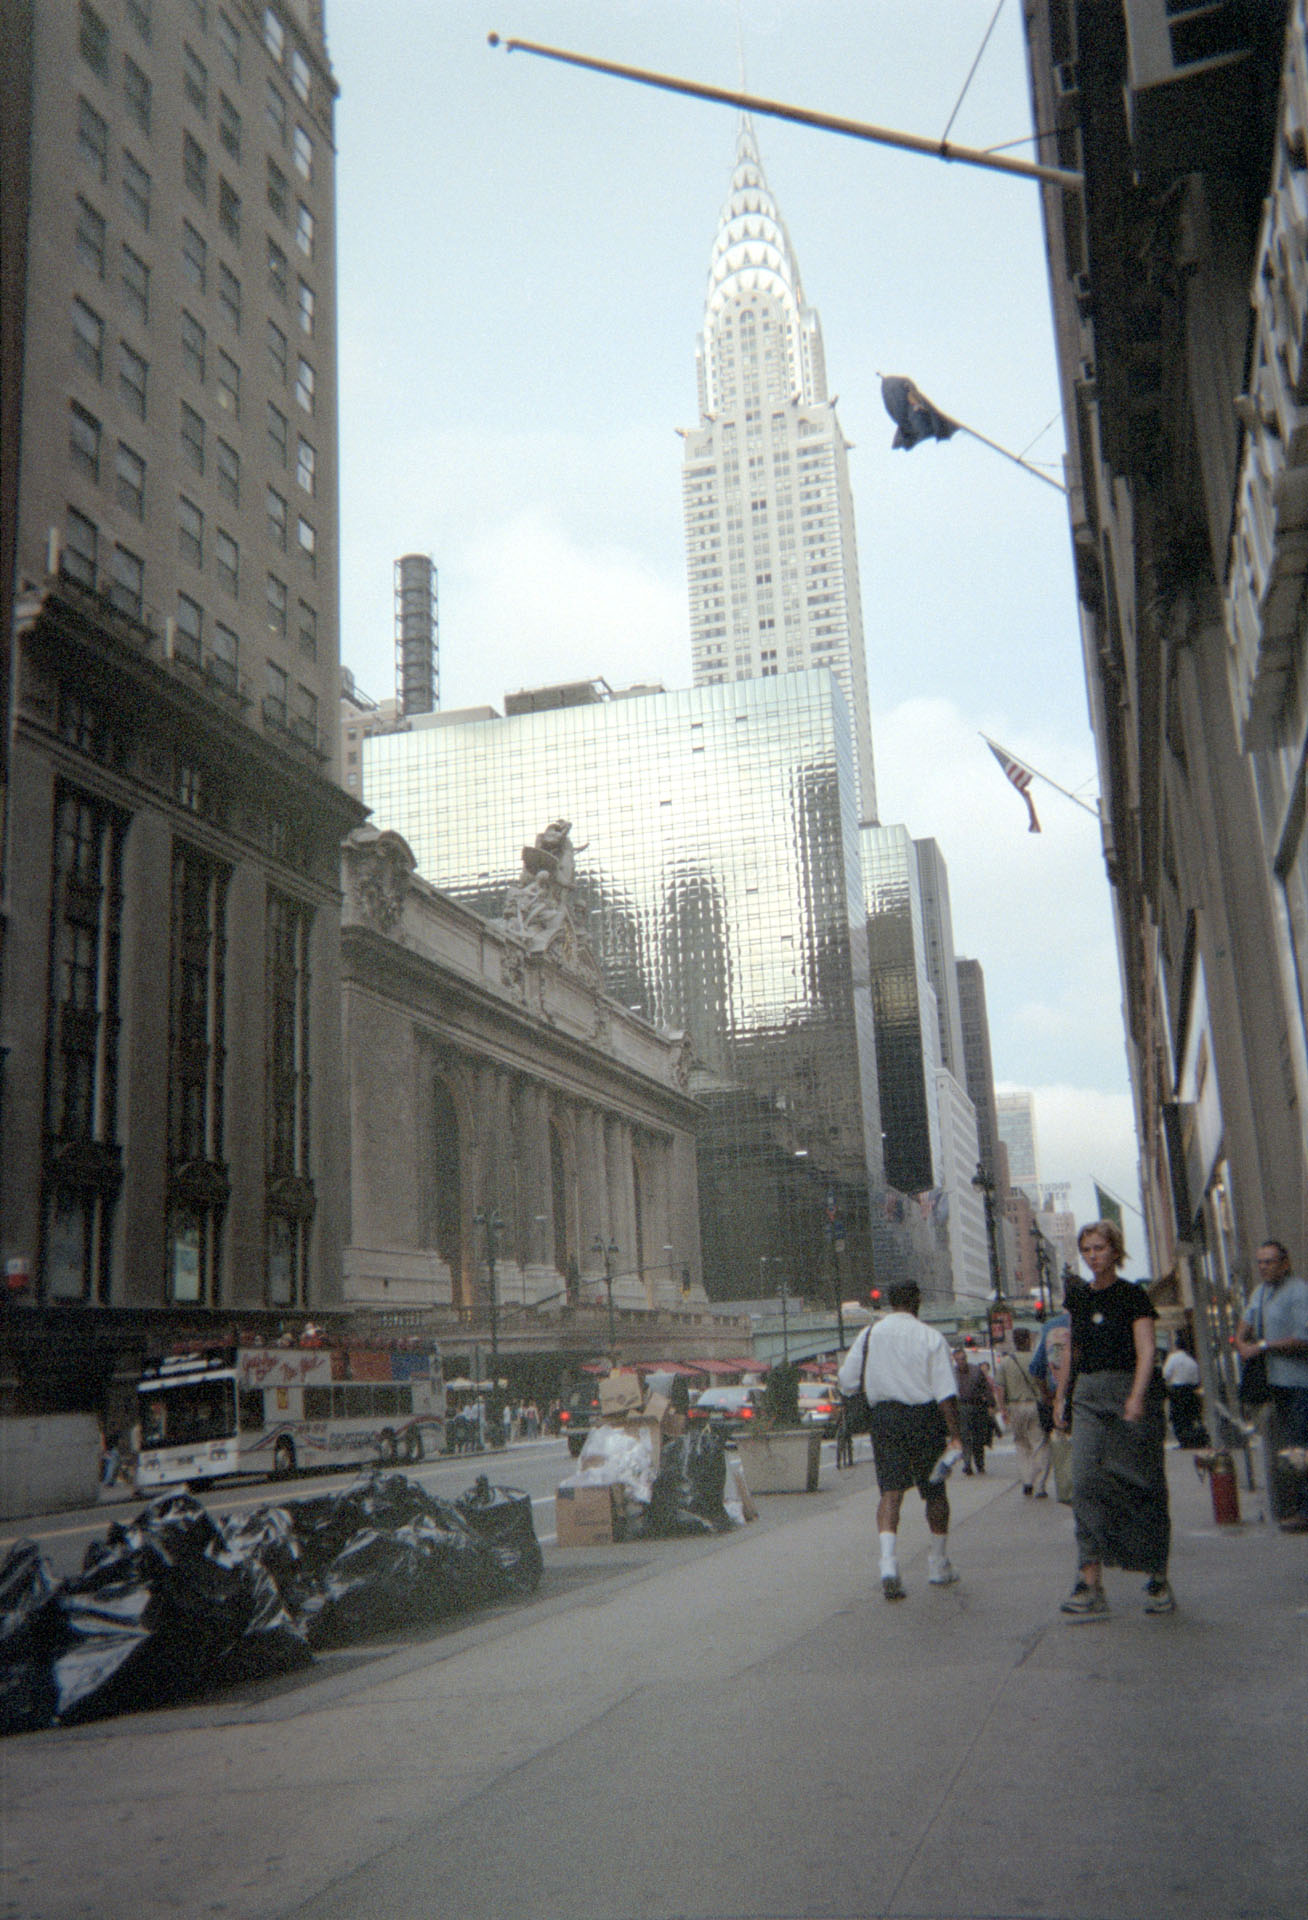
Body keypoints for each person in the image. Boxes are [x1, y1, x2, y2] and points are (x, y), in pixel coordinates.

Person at [1053, 1219, 1173, 1618]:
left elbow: (1147, 1350)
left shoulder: (1132, 1296)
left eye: (1099, 1248)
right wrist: (1061, 1396)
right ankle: (1089, 1580)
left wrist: (1138, 1396)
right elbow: (1072, 1350)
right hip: (1088, 1396)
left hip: (1127, 1394)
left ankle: (1157, 1577)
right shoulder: (1079, 1299)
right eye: (1086, 1249)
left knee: (1142, 1483)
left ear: (1115, 1250)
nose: (1092, 1256)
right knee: (1085, 1482)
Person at [837, 1279, 963, 1600]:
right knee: (934, 1493)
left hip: (886, 1420)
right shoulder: (931, 1337)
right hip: (924, 1419)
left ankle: (888, 1564)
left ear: (890, 1302)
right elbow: (946, 1393)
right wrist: (956, 1436)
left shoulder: (869, 1334)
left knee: (890, 1492)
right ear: (918, 1300)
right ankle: (937, 1563)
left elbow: (847, 1381)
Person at [1234, 1240, 1308, 1529]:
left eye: (1270, 1261)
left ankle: (1304, 1510)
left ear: (1285, 1263)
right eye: (1260, 1262)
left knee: (1301, 1448)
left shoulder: (1298, 1293)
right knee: (1290, 1448)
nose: (1264, 1267)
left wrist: (1263, 1346)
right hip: (1276, 1385)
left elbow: (1303, 1339)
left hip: (1300, 1384)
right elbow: (1247, 1319)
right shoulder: (1262, 1292)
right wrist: (1242, 1340)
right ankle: (1296, 1506)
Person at [995, 1328, 1051, 1496]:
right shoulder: (1037, 1359)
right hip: (1036, 1405)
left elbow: (999, 1388)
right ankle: (1040, 1484)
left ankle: (1027, 1481)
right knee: (1040, 1444)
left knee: (1021, 1444)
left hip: (1015, 1407)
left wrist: (1002, 1409)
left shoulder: (1005, 1362)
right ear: (1028, 1340)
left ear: (1014, 1341)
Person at [953, 1346, 995, 1474]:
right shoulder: (951, 1374)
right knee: (965, 1437)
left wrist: (991, 1405)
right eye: (959, 1359)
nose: (961, 1361)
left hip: (977, 1407)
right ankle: (967, 1464)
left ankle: (980, 1464)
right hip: (961, 1408)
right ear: (955, 1360)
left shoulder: (976, 1371)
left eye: (963, 1358)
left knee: (978, 1438)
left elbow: (986, 1389)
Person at [1161, 1334, 1208, 1448]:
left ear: (1176, 1346)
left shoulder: (1173, 1357)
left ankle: (1182, 1441)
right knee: (1189, 1417)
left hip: (1177, 1391)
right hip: (1191, 1391)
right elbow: (1197, 1378)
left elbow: (1166, 1374)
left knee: (1177, 1418)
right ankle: (1190, 1440)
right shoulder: (1191, 1360)